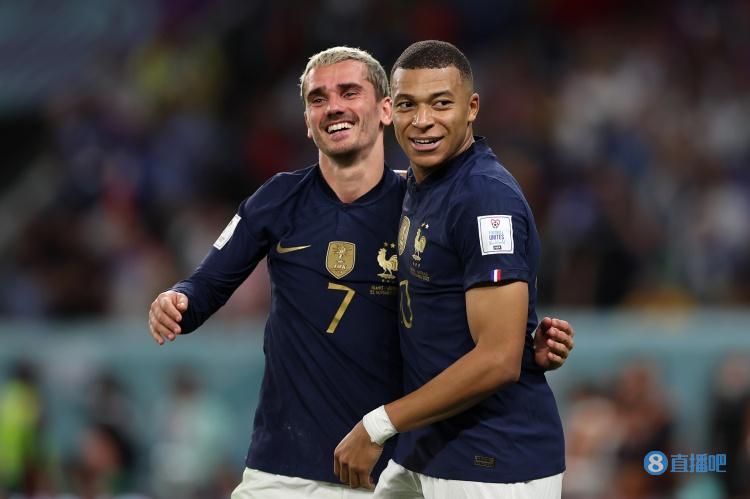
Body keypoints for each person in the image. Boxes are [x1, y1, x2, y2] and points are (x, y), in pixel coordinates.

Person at [148, 46, 574, 498]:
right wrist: (178, 299)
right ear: (307, 119)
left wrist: (518, 349)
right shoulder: (279, 198)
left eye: (349, 92)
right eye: (318, 98)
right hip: (285, 469)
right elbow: (206, 284)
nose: (334, 107)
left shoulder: (428, 199)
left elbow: (481, 334)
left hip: (385, 463)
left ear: (384, 109)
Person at [334, 40, 566, 499]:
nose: (423, 120)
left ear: (472, 107)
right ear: (389, 111)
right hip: (426, 449)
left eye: (441, 103)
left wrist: (377, 425)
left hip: (491, 461)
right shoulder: (421, 184)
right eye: (408, 105)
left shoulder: (485, 199)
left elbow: (498, 360)